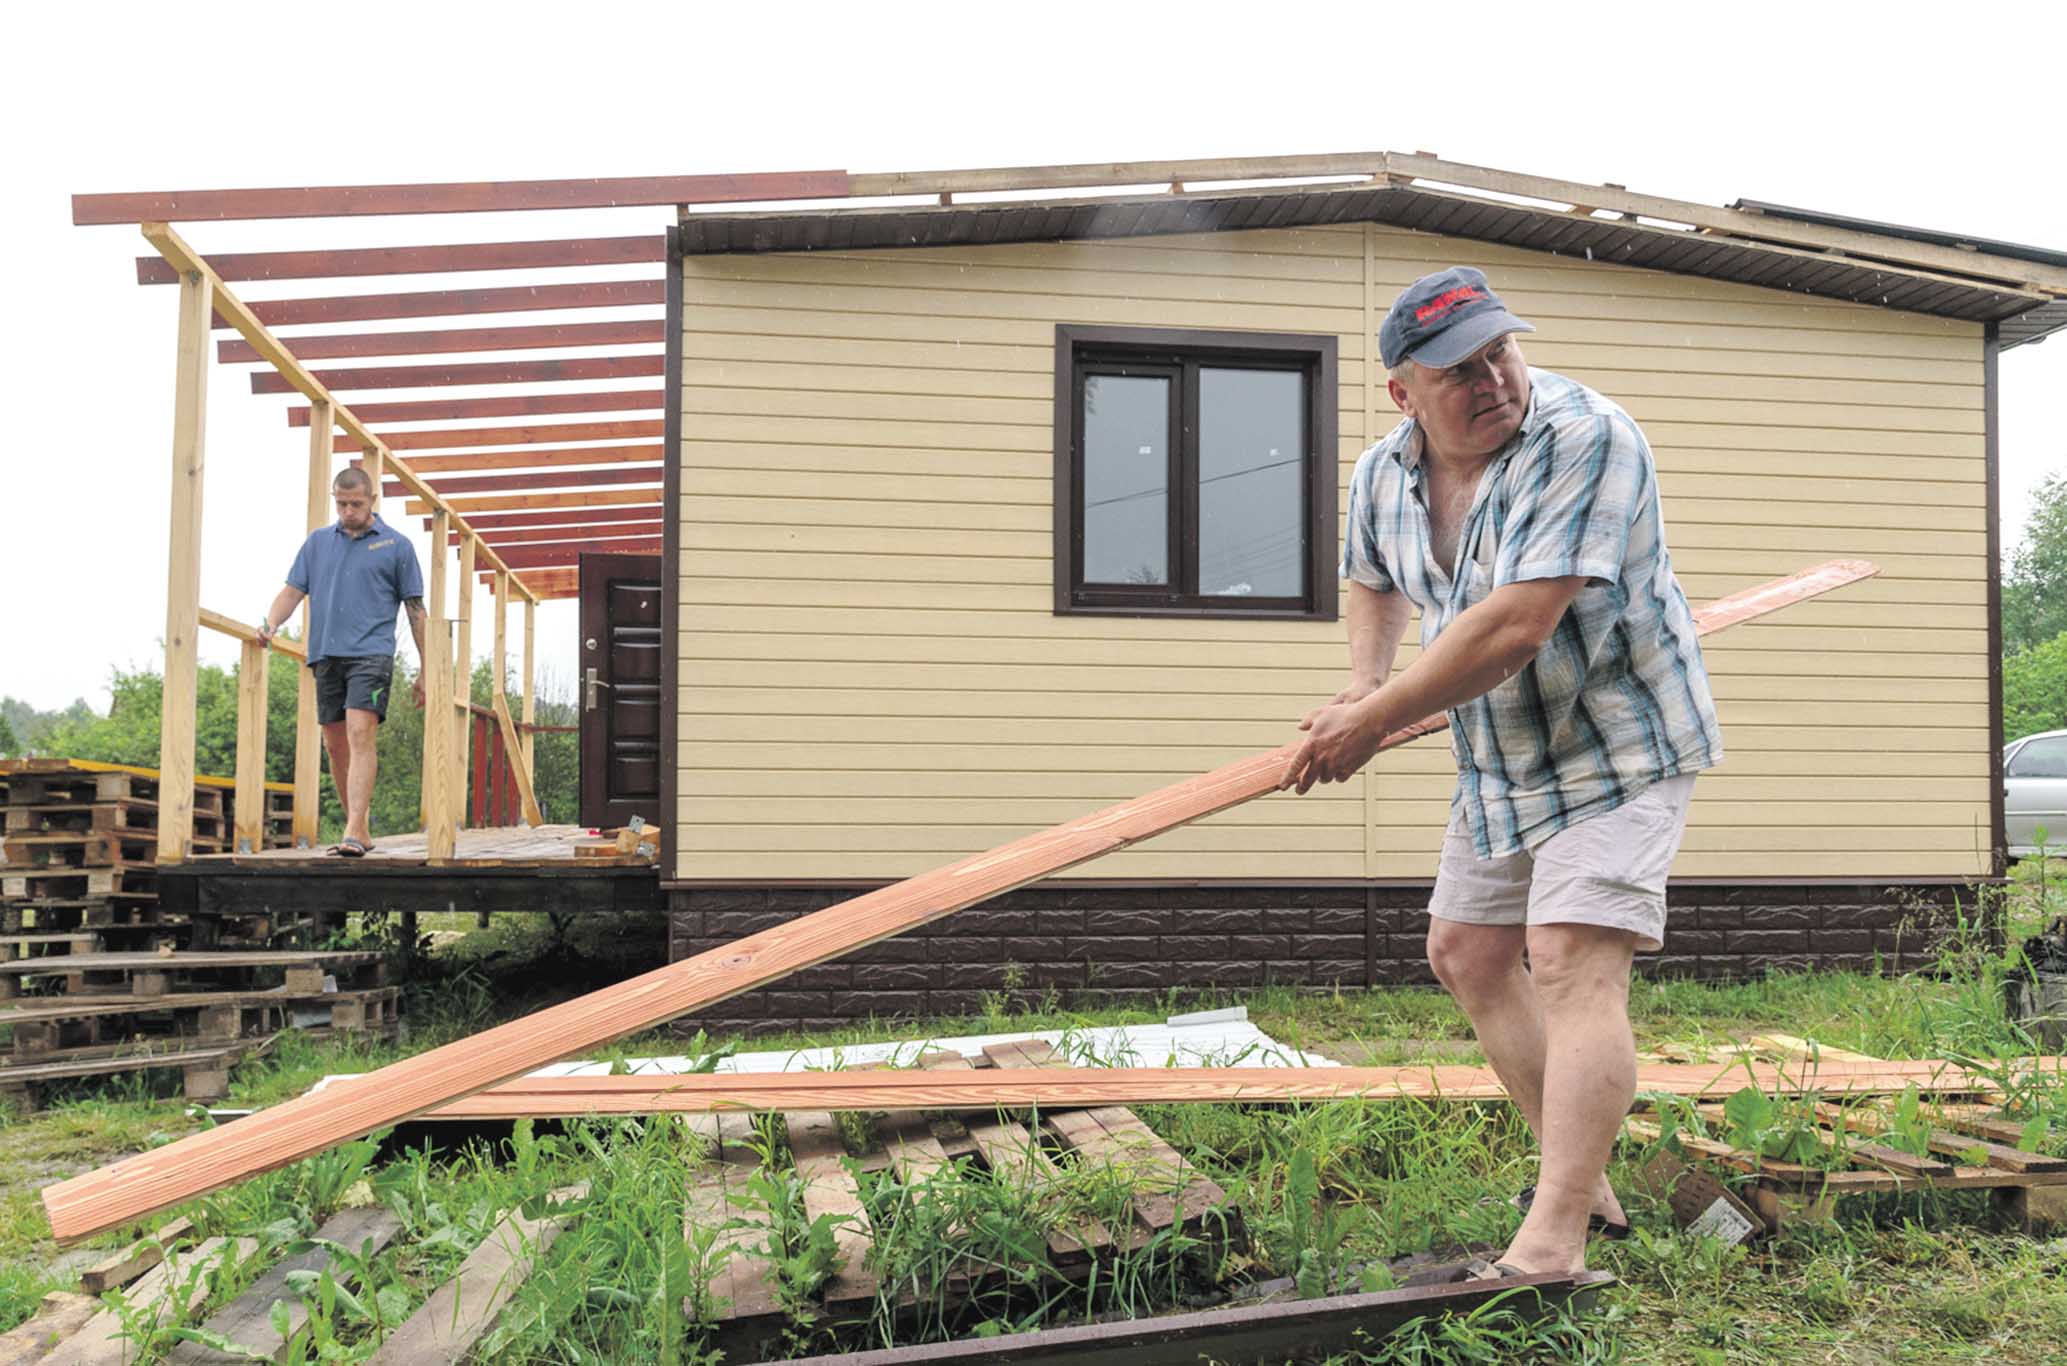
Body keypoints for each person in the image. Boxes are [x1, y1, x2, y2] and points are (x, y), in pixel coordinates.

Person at [1281, 266, 1722, 1279]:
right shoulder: (1381, 475)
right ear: (1405, 394)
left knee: (1569, 957)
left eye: (1500, 351)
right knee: (1468, 954)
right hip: (1503, 746)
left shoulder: (1586, 436)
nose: (1492, 380)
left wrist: (1375, 721)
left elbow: (1517, 626)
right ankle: (1589, 1179)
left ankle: (1555, 1236)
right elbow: (1372, 577)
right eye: (1459, 371)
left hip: (1623, 736)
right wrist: (1364, 684)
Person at [256, 466, 428, 857]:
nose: (348, 510)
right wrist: (270, 623)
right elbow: (291, 591)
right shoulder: (317, 543)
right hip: (325, 653)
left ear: (372, 501)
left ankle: (351, 830)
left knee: (359, 732)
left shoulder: (396, 546)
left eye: (356, 504)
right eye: (342, 503)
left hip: (372, 653)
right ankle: (360, 828)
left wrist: (426, 669)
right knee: (335, 744)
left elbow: (417, 611)